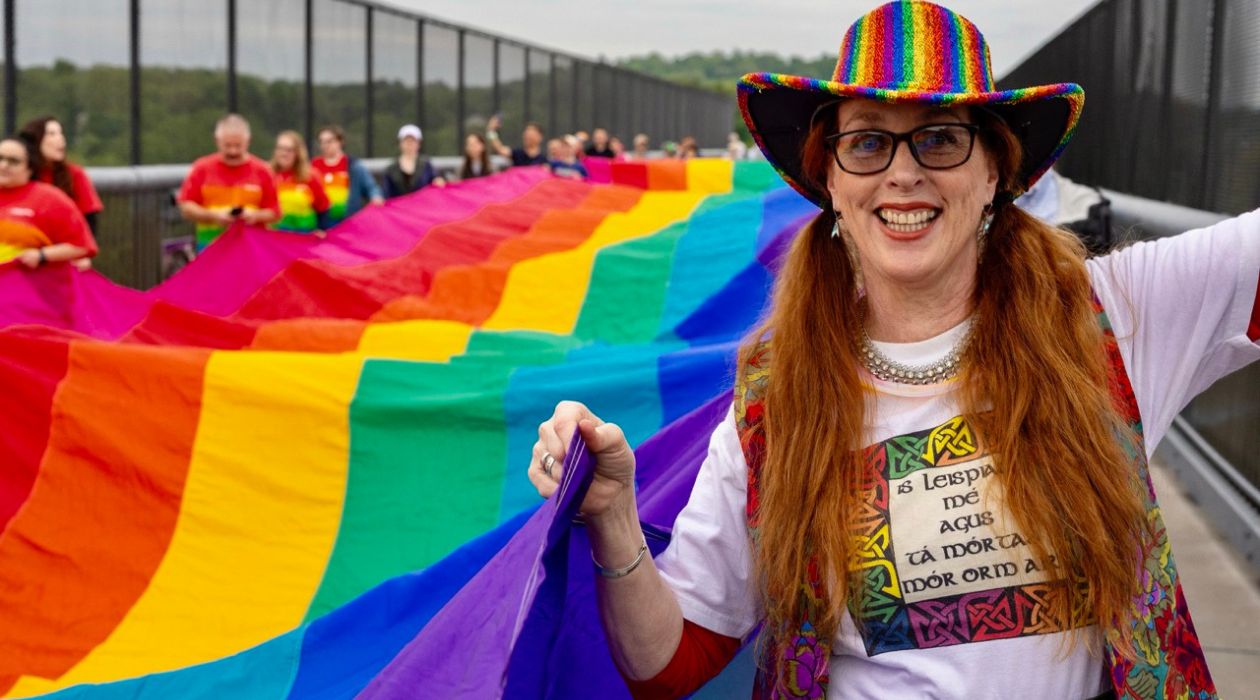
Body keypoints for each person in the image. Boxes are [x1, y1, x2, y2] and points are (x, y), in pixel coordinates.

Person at [527, 2, 1241, 698]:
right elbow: (669, 661)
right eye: (867, 142)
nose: (903, 173)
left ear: (993, 170)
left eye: (940, 138)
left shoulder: (1111, 317)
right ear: (829, 179)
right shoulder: (778, 399)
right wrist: (613, 515)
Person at [177, 114, 280, 251]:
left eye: (238, 146)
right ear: (217, 141)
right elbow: (185, 206)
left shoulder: (263, 170)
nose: (233, 151)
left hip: (251, 251)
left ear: (248, 141)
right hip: (210, 249)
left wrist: (254, 215)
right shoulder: (201, 168)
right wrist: (213, 215)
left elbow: (275, 211)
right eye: (227, 145)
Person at [0, 137, 96, 268]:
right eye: (0, 158)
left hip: (31, 283)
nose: (4, 165)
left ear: (30, 168)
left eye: (14, 161)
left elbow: (82, 246)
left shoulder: (50, 199)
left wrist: (42, 255)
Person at [19, 116, 103, 235]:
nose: (61, 139)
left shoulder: (74, 174)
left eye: (61, 133)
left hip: (65, 248)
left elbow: (89, 221)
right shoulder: (20, 175)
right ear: (35, 140)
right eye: (52, 134)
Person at [312, 125, 383, 226]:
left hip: (348, 225)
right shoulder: (313, 167)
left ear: (340, 142)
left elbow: (371, 187)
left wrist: (376, 197)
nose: (325, 145)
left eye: (329, 141)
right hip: (321, 226)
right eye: (321, 142)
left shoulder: (353, 166)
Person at [269, 130, 330, 235]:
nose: (284, 153)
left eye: (289, 150)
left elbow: (323, 207)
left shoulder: (310, 177)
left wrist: (321, 230)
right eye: (280, 148)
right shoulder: (267, 174)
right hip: (274, 240)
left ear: (297, 153)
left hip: (303, 240)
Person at [383, 124, 444, 199]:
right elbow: (386, 193)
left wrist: (438, 182)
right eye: (406, 141)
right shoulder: (391, 169)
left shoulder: (426, 165)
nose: (409, 144)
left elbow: (435, 181)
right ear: (400, 143)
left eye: (413, 141)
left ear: (419, 144)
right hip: (398, 208)